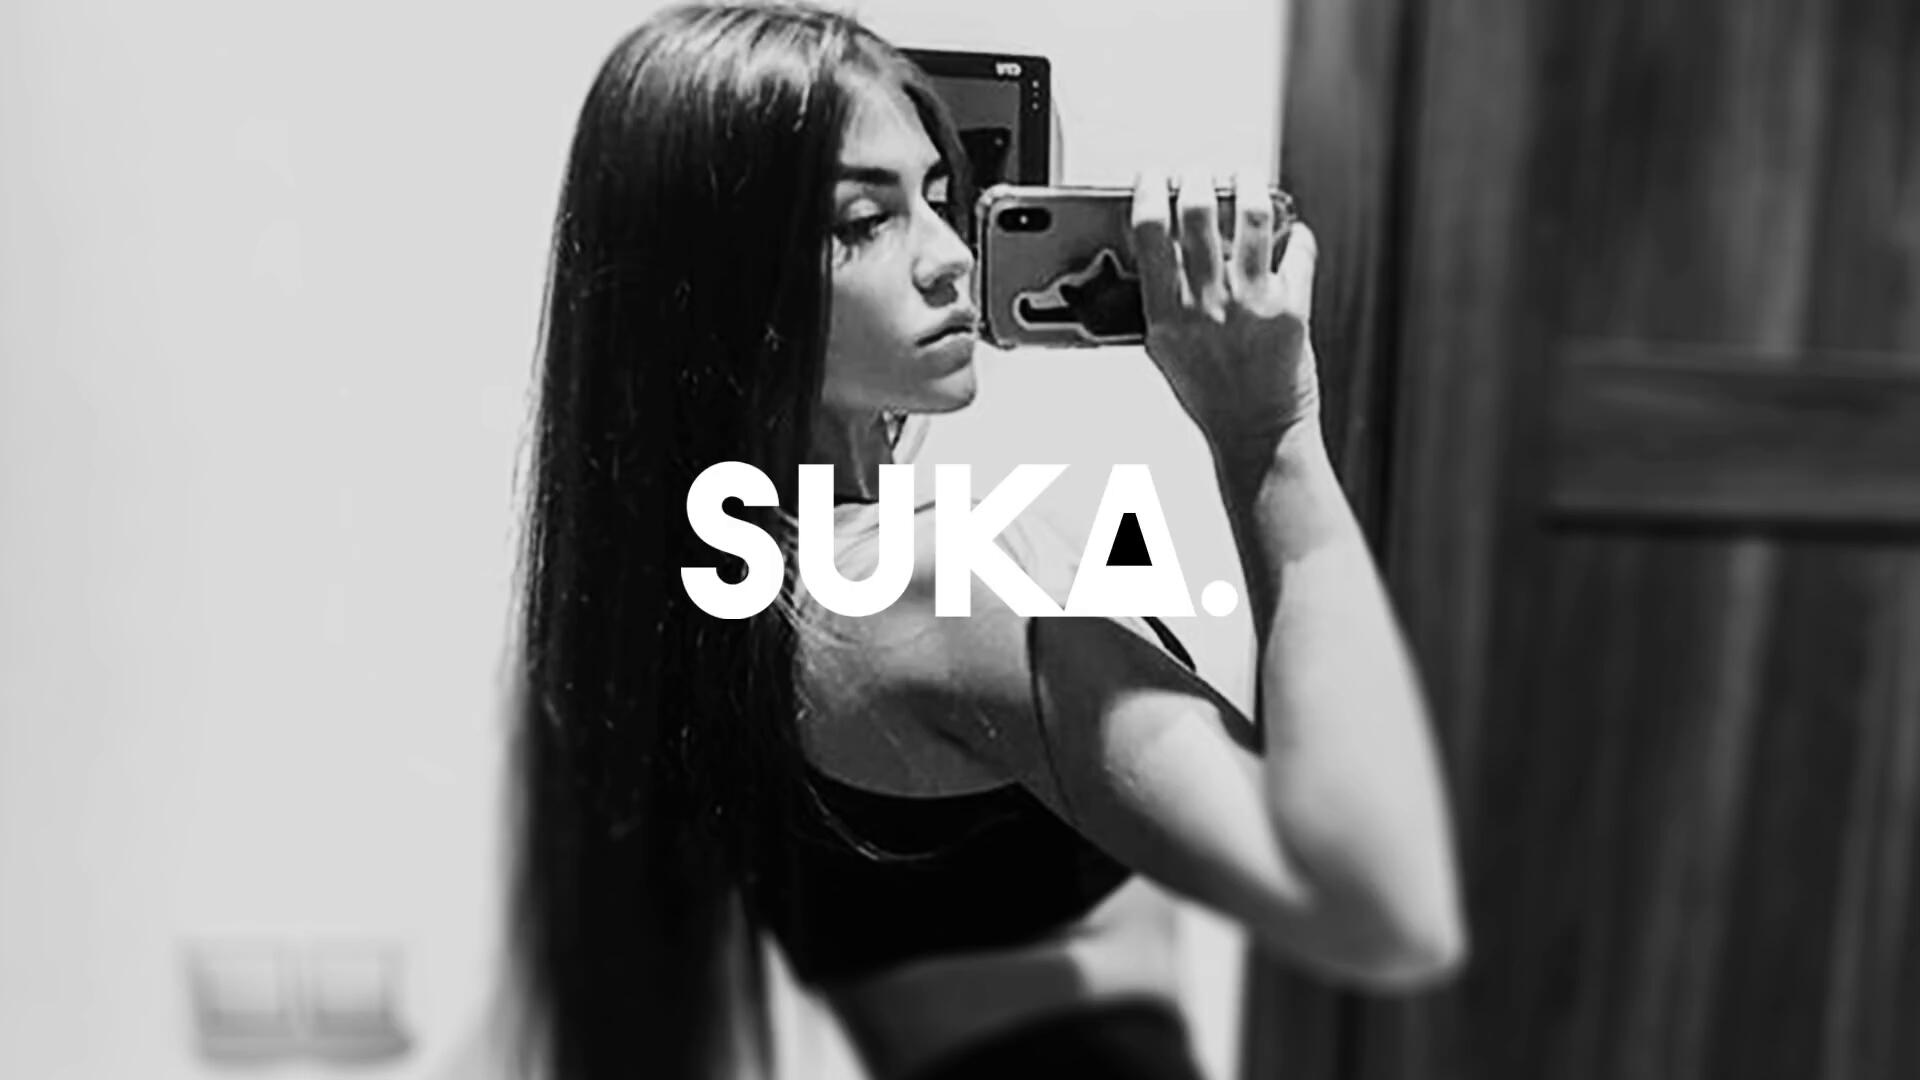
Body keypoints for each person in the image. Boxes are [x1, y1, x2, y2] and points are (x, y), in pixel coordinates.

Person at [497, 3, 1467, 1078]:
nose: (953, 258)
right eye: (864, 221)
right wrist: (1269, 437)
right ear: (718, 273)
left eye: (942, 199)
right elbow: (1378, 911)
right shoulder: (927, 585)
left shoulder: (709, 581)